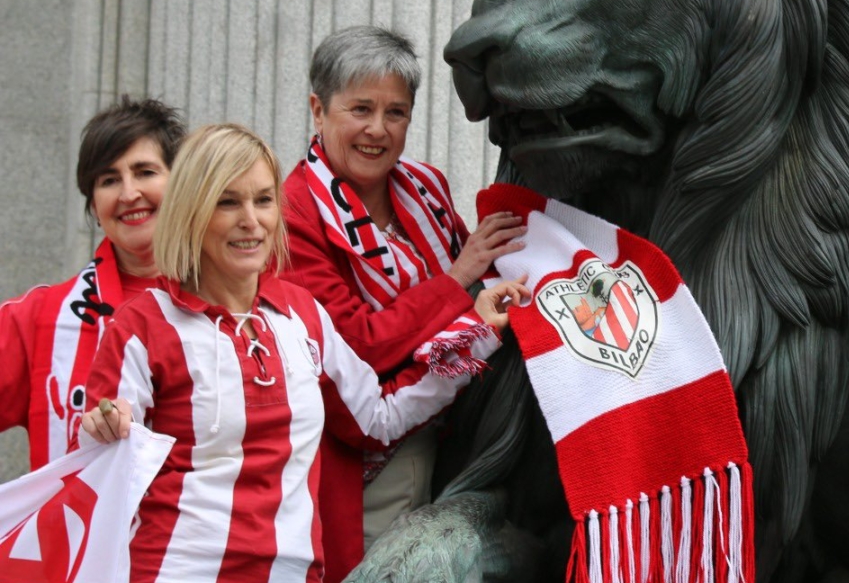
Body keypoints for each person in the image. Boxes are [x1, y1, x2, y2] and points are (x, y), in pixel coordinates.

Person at [81, 122, 528, 583]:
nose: (251, 221)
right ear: (192, 211)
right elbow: (103, 460)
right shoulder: (142, 324)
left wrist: (473, 335)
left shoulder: (301, 314)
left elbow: (379, 418)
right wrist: (102, 426)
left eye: (263, 200)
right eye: (228, 201)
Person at [279, 25, 525, 577]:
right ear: (318, 110)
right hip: (369, 454)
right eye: (360, 109)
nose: (378, 130)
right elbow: (357, 343)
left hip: (462, 421)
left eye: (396, 113)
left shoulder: (425, 187)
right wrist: (459, 279)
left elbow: (480, 286)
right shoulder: (292, 214)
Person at [0, 96, 185, 469]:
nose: (128, 193)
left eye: (145, 172)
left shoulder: (237, 305)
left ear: (182, 184)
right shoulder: (39, 319)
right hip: (76, 526)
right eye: (109, 180)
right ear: (93, 204)